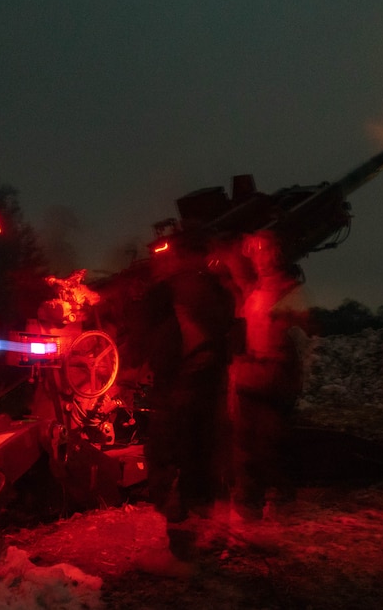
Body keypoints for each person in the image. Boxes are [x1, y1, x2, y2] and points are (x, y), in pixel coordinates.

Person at [140, 233, 237, 572]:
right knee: (190, 464)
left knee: (186, 465)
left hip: (189, 392)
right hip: (188, 390)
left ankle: (189, 547)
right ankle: (194, 541)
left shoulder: (196, 293)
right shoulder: (205, 293)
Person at [228, 230, 307, 521]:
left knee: (270, 445)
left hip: (275, 376)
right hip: (253, 375)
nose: (259, 259)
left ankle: (282, 501)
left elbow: (303, 335)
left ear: (276, 255)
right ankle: (249, 504)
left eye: (264, 252)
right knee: (245, 445)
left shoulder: (288, 291)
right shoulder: (257, 291)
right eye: (256, 253)